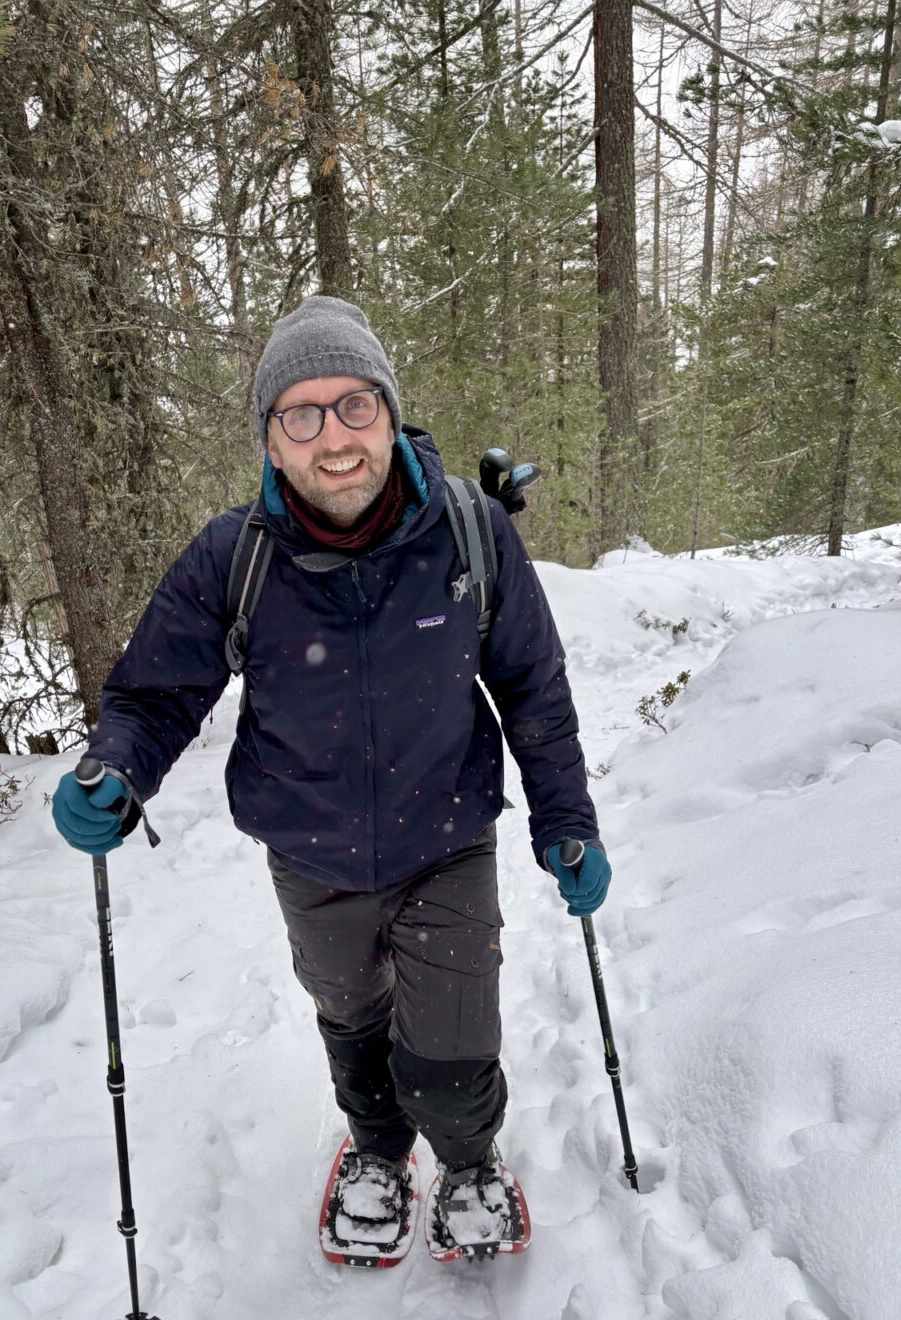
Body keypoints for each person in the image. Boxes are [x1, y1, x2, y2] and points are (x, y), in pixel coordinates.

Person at [52, 295, 610, 1258]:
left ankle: (469, 1158)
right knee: (351, 1016)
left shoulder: (472, 535)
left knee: (452, 1038)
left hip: (446, 835)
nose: (334, 437)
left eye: (354, 405)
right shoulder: (235, 557)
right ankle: (379, 1151)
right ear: (271, 441)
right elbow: (154, 694)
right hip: (309, 848)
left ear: (391, 413)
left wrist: (568, 818)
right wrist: (114, 767)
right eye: (300, 415)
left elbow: (533, 688)